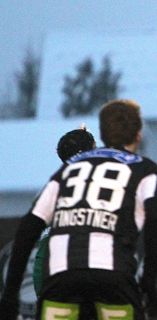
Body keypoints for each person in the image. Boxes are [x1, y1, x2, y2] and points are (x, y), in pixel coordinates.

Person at [0, 99, 157, 320]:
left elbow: (28, 228)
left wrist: (10, 293)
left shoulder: (65, 175)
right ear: (138, 134)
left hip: (59, 273)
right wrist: (149, 283)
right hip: (112, 274)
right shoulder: (145, 170)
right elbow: (156, 222)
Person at [32, 126, 98, 296]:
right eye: (95, 149)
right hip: (94, 285)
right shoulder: (104, 190)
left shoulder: (49, 191)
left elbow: (44, 248)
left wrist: (41, 289)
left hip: (61, 285)